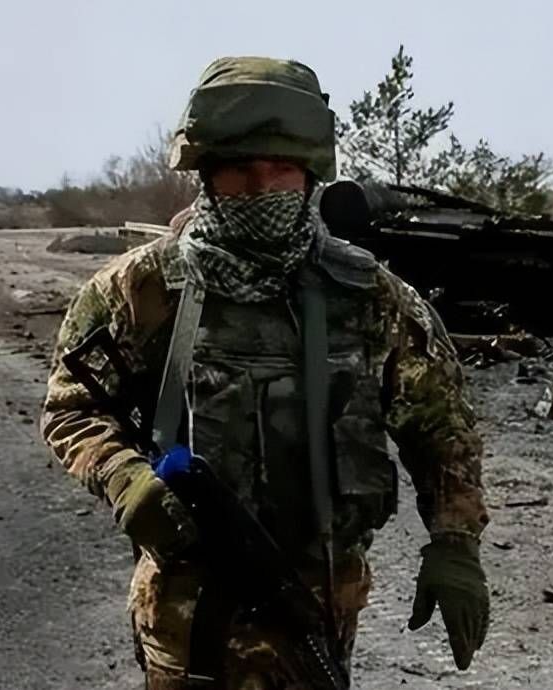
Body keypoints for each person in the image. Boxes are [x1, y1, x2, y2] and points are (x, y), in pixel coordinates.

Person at [40, 56, 489, 690]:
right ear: (205, 173)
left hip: (316, 613)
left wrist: (454, 544)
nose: (260, 189)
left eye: (280, 170)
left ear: (310, 175)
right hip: (184, 615)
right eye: (238, 171)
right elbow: (72, 408)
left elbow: (441, 429)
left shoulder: (369, 297)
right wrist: (125, 479)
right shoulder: (140, 289)